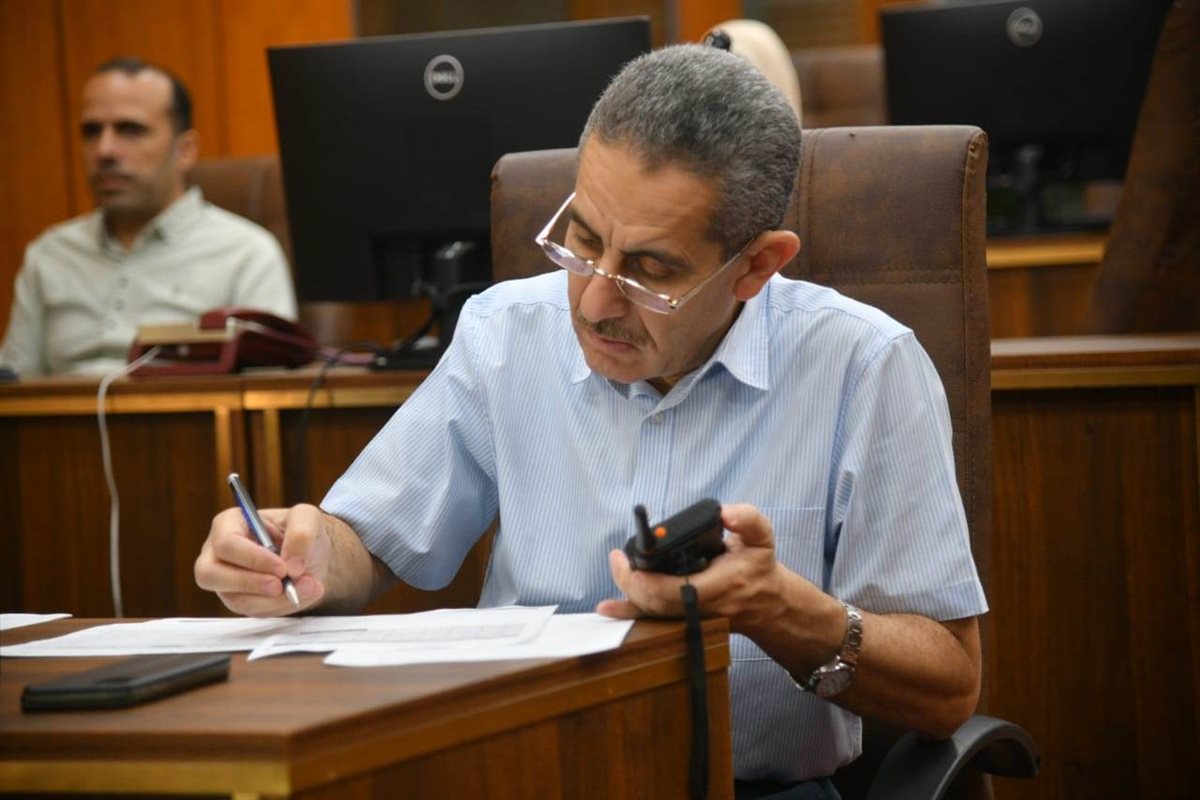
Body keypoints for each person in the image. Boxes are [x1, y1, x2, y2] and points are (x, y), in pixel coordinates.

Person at [194, 45, 985, 798]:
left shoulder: (863, 367)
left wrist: (779, 609)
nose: (594, 300)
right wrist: (300, 554)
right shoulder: (505, 332)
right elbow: (366, 542)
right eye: (582, 241)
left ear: (756, 265)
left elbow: (948, 686)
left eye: (650, 270)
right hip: (517, 780)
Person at [0, 57, 296, 377]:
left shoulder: (245, 254)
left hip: (185, 409)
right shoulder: (50, 253)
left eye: (130, 130)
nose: (104, 150)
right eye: (91, 131)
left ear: (185, 150)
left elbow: (268, 391)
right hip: (58, 410)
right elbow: (13, 384)